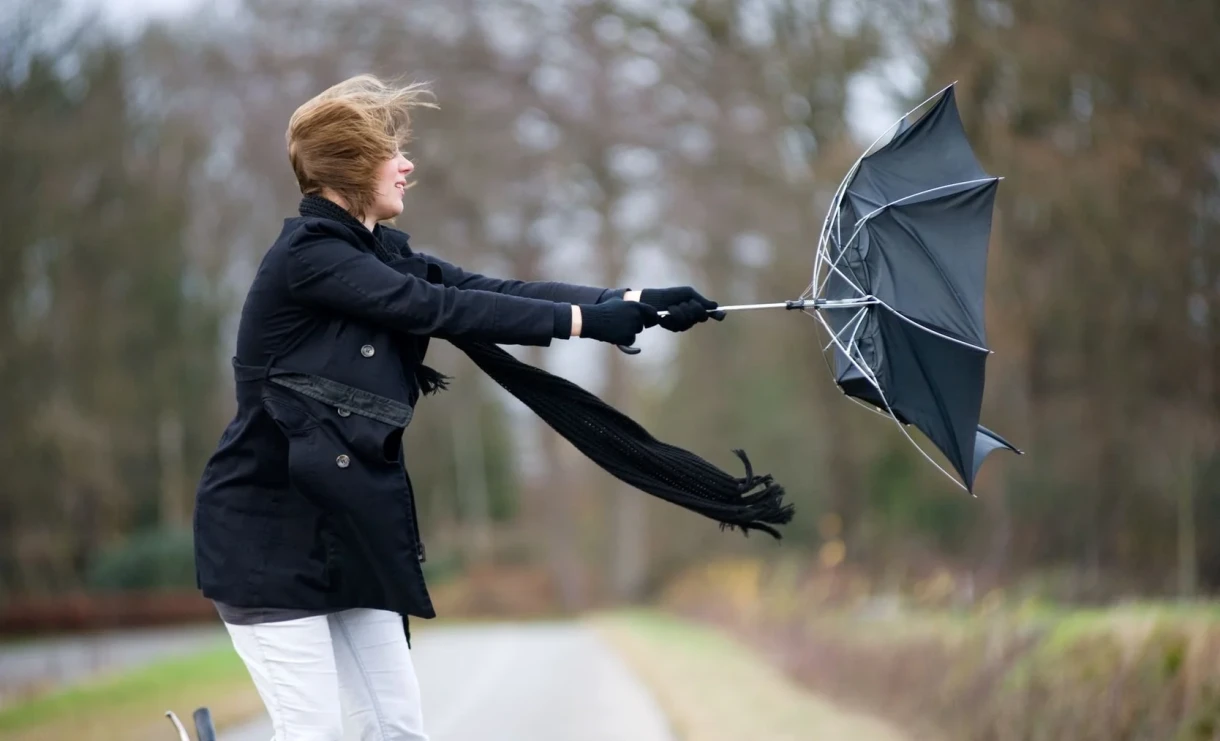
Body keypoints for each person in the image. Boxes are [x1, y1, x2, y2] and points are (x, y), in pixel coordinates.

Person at [191, 73, 723, 741]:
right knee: (315, 732)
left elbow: (484, 287)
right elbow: (437, 309)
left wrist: (633, 297)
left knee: (397, 728)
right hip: (266, 536)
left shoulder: (379, 251)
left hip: (350, 531)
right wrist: (586, 323)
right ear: (353, 167)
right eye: (392, 152)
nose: (407, 164)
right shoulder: (310, 260)